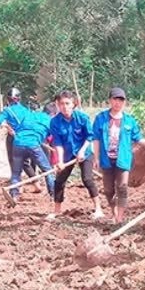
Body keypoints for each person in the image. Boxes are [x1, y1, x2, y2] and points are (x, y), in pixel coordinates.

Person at [92, 87, 145, 224]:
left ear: (124, 102)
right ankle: (113, 212)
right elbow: (96, 139)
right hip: (106, 159)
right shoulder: (101, 119)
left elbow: (138, 139)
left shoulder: (129, 121)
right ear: (110, 100)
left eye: (121, 100)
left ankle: (119, 218)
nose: (117, 103)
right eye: (115, 99)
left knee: (122, 187)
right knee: (108, 190)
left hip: (123, 159)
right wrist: (96, 158)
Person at [48, 90, 103, 220]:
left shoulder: (82, 118)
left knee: (87, 179)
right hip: (67, 154)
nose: (64, 107)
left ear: (74, 104)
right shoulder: (55, 122)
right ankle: (57, 211)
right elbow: (58, 143)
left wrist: (82, 151)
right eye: (61, 104)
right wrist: (60, 161)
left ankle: (99, 209)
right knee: (59, 181)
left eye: (67, 103)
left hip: (85, 151)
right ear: (57, 105)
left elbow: (89, 136)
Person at [7, 102, 55, 203]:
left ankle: (14, 195)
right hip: (33, 145)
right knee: (48, 171)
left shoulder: (30, 115)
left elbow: (20, 128)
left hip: (17, 143)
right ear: (53, 114)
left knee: (16, 173)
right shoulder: (51, 120)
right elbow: (53, 138)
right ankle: (54, 195)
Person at [0, 87, 39, 188]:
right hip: (26, 138)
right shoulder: (25, 109)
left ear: (8, 99)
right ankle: (36, 184)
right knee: (25, 162)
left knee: (13, 160)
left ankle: (17, 185)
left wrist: (6, 126)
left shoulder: (7, 110)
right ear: (19, 99)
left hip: (13, 138)